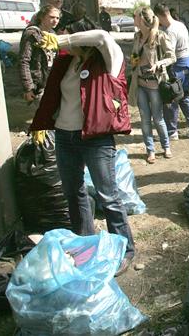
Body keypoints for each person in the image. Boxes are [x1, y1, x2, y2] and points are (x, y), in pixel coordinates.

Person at [29, 29, 136, 276]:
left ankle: (125, 250)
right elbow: (57, 94)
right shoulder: (67, 61)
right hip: (64, 136)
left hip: (95, 139)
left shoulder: (108, 58)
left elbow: (102, 36)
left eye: (74, 37)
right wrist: (44, 121)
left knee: (108, 196)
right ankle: (84, 243)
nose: (67, 42)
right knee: (73, 192)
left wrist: (62, 40)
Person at [128, 6, 176, 164]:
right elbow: (135, 55)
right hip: (140, 83)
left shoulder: (160, 36)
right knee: (144, 119)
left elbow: (172, 57)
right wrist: (133, 61)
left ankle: (166, 146)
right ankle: (150, 150)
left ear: (142, 19)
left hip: (155, 84)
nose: (133, 19)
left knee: (158, 118)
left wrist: (159, 65)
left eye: (135, 16)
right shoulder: (137, 36)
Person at [154, 3, 189, 139]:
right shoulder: (180, 24)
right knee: (183, 95)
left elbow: (170, 55)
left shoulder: (170, 31)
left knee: (170, 97)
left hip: (178, 67)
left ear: (159, 16)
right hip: (188, 64)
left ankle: (171, 132)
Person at [19, 4, 60, 104]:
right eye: (51, 17)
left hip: (52, 81)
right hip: (38, 84)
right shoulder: (32, 33)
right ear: (42, 17)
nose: (55, 20)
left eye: (57, 18)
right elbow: (24, 61)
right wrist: (28, 88)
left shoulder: (53, 34)